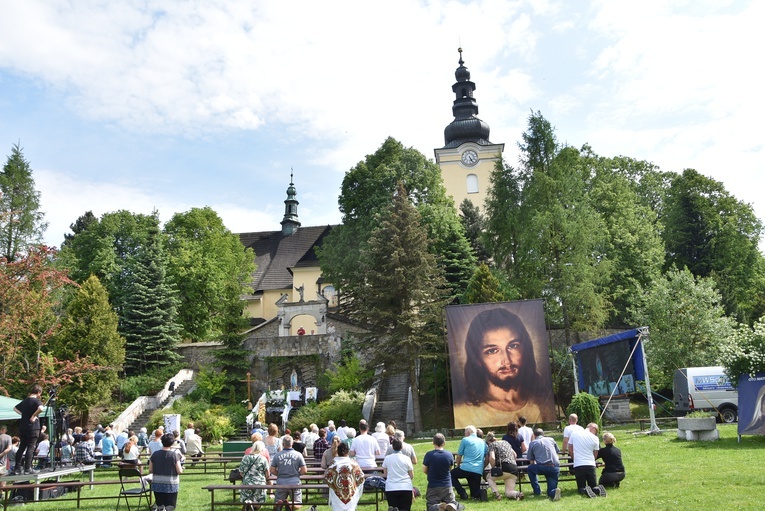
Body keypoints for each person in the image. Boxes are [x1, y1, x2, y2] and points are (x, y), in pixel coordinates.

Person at [453, 307, 553, 426]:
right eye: (492, 351)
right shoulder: (461, 415)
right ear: (477, 359)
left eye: (513, 346)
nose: (506, 361)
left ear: (525, 349)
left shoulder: (544, 404)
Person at [13, 383, 44, 475]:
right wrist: (34, 415)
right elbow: (41, 408)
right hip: (33, 427)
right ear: (38, 392)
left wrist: (24, 415)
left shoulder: (25, 401)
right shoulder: (36, 401)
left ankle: (17, 469)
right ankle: (28, 469)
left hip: (23, 427)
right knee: (31, 447)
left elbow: (15, 408)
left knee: (21, 447)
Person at [569, 422, 606, 498]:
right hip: (590, 464)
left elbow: (570, 449)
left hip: (579, 464)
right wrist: (593, 460)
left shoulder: (574, 434)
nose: (596, 433)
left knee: (581, 487)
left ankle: (585, 490)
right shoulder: (595, 438)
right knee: (593, 485)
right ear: (593, 428)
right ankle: (597, 489)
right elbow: (595, 453)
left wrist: (574, 459)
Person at [423, 433, 459, 511]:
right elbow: (450, 468)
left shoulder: (429, 455)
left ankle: (437, 507)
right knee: (452, 501)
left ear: (433, 442)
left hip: (433, 485)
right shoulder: (449, 455)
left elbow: (425, 470)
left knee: (430, 504)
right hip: (447, 485)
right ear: (444, 443)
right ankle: (451, 505)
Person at [324, 442, 365, 511]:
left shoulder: (333, 464)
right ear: (347, 451)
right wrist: (354, 486)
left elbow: (327, 478)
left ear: (338, 451)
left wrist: (335, 486)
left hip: (337, 493)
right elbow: (361, 478)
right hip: (351, 492)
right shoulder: (354, 464)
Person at [271, 435, 307, 510]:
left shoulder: (277, 455)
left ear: (283, 444)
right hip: (294, 482)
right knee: (298, 503)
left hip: (281, 482)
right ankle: (290, 504)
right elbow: (304, 470)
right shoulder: (298, 455)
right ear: (292, 443)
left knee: (276, 505)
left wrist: (279, 474)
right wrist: (297, 474)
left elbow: (272, 470)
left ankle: (279, 503)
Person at [450, 425, 486, 501]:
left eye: (465, 432)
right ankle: (477, 495)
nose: (464, 434)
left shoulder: (465, 440)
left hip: (466, 468)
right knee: (475, 495)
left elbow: (459, 456)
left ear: (468, 432)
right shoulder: (482, 442)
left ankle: (461, 492)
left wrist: (458, 465)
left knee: (450, 475)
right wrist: (482, 467)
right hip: (478, 470)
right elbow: (487, 455)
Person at [150, 433, 184, 511]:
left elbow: (150, 470)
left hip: (157, 483)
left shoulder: (155, 454)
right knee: (171, 505)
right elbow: (179, 471)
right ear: (172, 443)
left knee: (160, 505)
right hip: (171, 483)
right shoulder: (174, 455)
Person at [484, 431, 522, 500]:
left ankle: (497, 495)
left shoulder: (492, 445)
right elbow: (515, 455)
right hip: (514, 468)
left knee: (488, 477)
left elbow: (492, 458)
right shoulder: (506, 442)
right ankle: (517, 494)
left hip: (505, 467)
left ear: (488, 442)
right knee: (508, 492)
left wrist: (493, 468)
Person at [526, 428, 561, 501]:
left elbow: (531, 460)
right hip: (555, 467)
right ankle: (554, 492)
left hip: (542, 467)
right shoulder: (551, 439)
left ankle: (537, 491)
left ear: (534, 435)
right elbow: (557, 451)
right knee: (550, 490)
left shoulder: (533, 443)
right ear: (543, 434)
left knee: (530, 468)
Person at [382, 439, 414, 511]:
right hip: (405, 487)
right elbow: (411, 475)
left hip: (391, 487)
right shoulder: (407, 458)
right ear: (402, 447)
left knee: (393, 508)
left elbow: (385, 474)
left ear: (392, 447)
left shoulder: (387, 458)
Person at [239, 440, 271, 508]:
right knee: (259, 501)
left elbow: (241, 472)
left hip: (247, 482)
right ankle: (254, 506)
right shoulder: (263, 459)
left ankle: (249, 505)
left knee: (246, 500)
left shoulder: (245, 458)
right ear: (262, 449)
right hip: (260, 483)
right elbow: (267, 474)